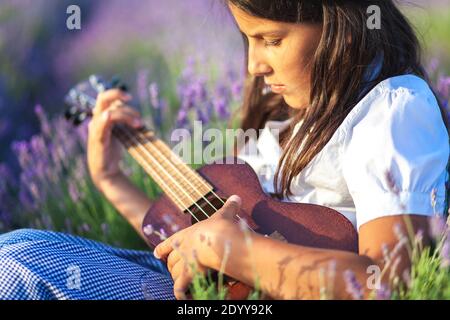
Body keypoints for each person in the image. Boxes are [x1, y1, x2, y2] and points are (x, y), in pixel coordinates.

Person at [0, 0, 448, 300]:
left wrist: (230, 251)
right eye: (248, 40)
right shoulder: (289, 111)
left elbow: (388, 281)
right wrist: (110, 179)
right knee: (18, 249)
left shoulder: (391, 108)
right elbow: (188, 245)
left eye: (271, 39)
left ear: (342, 25)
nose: (254, 65)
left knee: (19, 267)